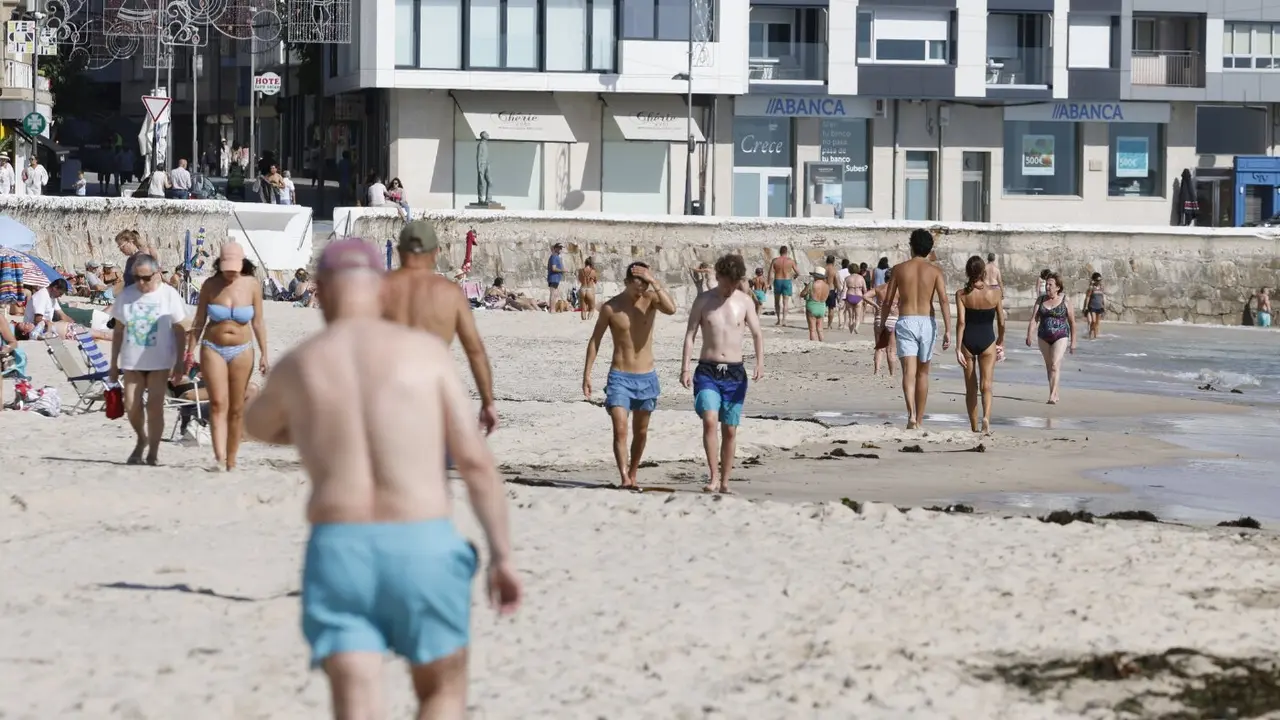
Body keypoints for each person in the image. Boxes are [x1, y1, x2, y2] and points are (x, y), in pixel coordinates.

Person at [242, 239, 521, 720]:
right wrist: (502, 557)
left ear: (320, 291)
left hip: (341, 548)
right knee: (442, 689)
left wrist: (311, 426)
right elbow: (475, 463)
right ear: (383, 291)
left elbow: (256, 426)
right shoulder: (425, 355)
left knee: (357, 703)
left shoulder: (301, 363)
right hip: (422, 541)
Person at [383, 221, 499, 435]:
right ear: (436, 252)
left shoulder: (379, 290)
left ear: (399, 252)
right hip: (433, 398)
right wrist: (487, 402)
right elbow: (475, 351)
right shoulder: (450, 294)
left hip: (386, 400)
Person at [582, 261, 676, 489]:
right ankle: (624, 477)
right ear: (626, 282)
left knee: (641, 432)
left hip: (647, 376)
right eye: (637, 284)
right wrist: (587, 375)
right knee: (620, 429)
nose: (641, 289)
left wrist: (653, 280)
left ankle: (633, 472)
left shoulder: (651, 300)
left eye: (645, 284)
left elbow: (671, 309)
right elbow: (595, 341)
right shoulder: (611, 308)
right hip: (620, 377)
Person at [680, 254, 764, 495]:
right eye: (728, 283)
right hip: (707, 370)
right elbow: (690, 335)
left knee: (729, 429)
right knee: (709, 420)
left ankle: (725, 481)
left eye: (735, 283)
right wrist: (685, 368)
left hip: (735, 373)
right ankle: (713, 477)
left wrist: (760, 363)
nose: (731, 288)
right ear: (718, 277)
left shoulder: (744, 302)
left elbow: (757, 333)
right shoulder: (703, 301)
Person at [187, 243, 269, 471]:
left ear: (242, 264)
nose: (230, 273)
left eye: (234, 268)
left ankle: (231, 458)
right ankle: (219, 457)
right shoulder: (210, 285)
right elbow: (198, 320)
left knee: (236, 405)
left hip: (242, 349)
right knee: (217, 403)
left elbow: (258, 322)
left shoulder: (252, 285)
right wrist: (189, 351)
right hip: (212, 347)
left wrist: (264, 354)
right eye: (226, 268)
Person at [108, 255, 187, 466]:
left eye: (146, 278)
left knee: (154, 407)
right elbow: (118, 331)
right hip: (132, 361)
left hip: (160, 361)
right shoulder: (127, 295)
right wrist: (113, 363)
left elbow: (180, 330)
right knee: (131, 405)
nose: (141, 282)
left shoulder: (168, 295)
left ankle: (153, 450)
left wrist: (180, 361)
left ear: (157, 273)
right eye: (137, 278)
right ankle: (141, 438)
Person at [877, 229, 951, 429]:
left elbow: (888, 301)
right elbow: (944, 300)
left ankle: (911, 415)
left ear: (911, 247)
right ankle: (919, 419)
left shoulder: (899, 269)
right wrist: (948, 329)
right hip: (927, 321)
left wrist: (883, 324)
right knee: (923, 373)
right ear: (929, 249)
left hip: (907, 320)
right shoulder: (935, 271)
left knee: (908, 372)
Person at [955, 256, 1005, 434]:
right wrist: (1001, 340)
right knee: (987, 385)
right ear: (984, 271)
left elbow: (961, 322)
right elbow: (1001, 321)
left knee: (971, 388)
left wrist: (957, 347)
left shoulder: (961, 294)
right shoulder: (995, 293)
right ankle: (986, 419)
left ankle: (974, 426)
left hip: (968, 340)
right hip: (987, 340)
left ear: (967, 272)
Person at [1026, 271, 1076, 405]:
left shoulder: (1065, 300)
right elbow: (1034, 319)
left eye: (1050, 285)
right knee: (1049, 366)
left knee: (1054, 364)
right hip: (1043, 336)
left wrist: (1073, 342)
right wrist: (1029, 334)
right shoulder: (1041, 300)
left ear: (1058, 287)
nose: (1047, 287)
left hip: (1061, 335)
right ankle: (1053, 392)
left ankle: (1053, 395)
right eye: (1046, 284)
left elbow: (1072, 322)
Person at [766, 245, 798, 327]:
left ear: (779, 252)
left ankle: (778, 320)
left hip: (778, 280)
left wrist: (769, 283)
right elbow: (798, 272)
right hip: (787, 281)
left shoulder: (775, 260)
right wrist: (795, 276)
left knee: (777, 301)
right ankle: (784, 320)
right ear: (787, 252)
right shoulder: (790, 261)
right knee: (785, 302)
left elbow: (770, 273)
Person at [800, 269, 829, 342]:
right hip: (822, 307)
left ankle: (813, 344)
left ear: (815, 275)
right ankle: (822, 343)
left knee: (812, 329)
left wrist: (806, 288)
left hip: (812, 306)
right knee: (820, 329)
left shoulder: (811, 284)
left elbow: (802, 294)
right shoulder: (827, 286)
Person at [843, 260, 868, 334]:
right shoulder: (861, 278)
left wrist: (842, 299)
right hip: (858, 296)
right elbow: (865, 289)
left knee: (850, 316)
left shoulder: (847, 278)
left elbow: (844, 289)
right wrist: (866, 299)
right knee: (857, 316)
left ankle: (851, 331)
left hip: (850, 296)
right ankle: (856, 327)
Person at [1085, 273, 1106, 339]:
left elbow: (1102, 297)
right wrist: (1086, 306)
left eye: (1100, 280)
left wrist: (1104, 306)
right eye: (1097, 280)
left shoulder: (1102, 288)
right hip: (1092, 307)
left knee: (1097, 322)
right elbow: (1088, 297)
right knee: (1093, 321)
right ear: (1094, 280)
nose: (1099, 281)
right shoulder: (1091, 288)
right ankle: (1090, 332)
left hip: (1099, 307)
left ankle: (1095, 335)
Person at [547, 242, 566, 310]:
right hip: (553, 278)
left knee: (555, 294)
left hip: (556, 278)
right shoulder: (554, 256)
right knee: (553, 294)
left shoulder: (556, 256)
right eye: (559, 248)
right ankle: (552, 309)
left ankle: (553, 309)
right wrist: (562, 271)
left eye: (561, 248)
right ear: (555, 248)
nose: (560, 249)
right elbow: (554, 268)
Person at [823, 255, 841, 329]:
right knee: (831, 308)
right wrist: (839, 291)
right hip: (831, 290)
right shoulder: (834, 270)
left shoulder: (823, 269)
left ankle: (820, 323)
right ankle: (829, 325)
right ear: (833, 261)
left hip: (822, 289)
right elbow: (837, 282)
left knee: (821, 307)